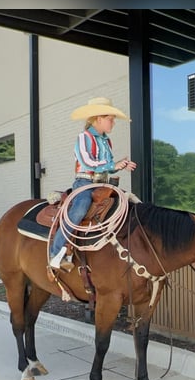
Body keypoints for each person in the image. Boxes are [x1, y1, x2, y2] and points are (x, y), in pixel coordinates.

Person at [49, 97, 137, 270]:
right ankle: (55, 252)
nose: (113, 123)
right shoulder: (84, 137)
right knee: (81, 206)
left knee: (128, 202)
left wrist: (121, 165)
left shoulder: (106, 141)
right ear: (99, 119)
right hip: (84, 182)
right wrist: (113, 165)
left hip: (103, 184)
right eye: (110, 119)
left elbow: (108, 168)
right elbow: (88, 162)